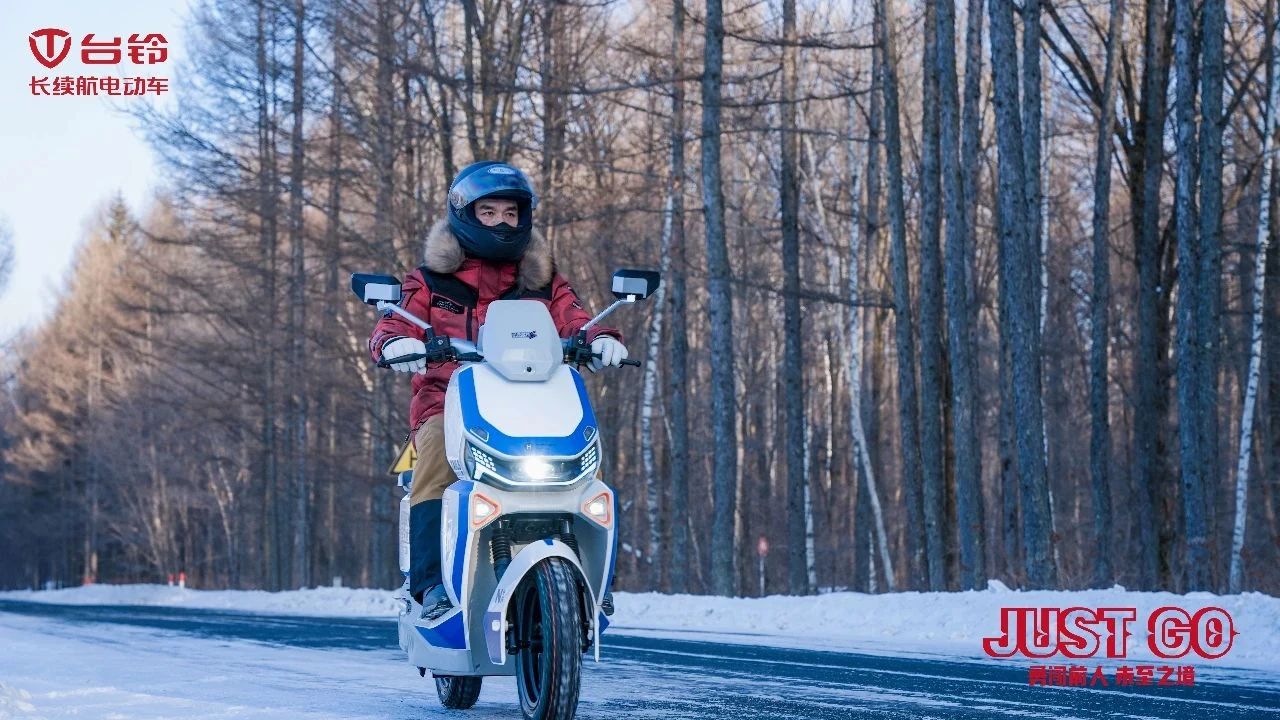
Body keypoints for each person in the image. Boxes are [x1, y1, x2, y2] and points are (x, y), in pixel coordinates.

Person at [368, 160, 628, 620]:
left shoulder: (543, 278)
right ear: (465, 213)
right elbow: (392, 322)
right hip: (447, 401)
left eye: (511, 213)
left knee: (590, 463)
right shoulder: (428, 279)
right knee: (432, 455)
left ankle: (598, 577)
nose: (502, 222)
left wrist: (601, 339)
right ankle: (429, 585)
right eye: (489, 213)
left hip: (534, 402)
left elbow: (574, 316)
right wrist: (396, 342)